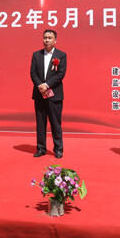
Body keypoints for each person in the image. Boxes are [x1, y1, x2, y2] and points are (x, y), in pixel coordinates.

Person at [30, 29, 67, 158]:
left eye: (50, 38)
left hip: (54, 94)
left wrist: (47, 85)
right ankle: (41, 148)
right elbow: (33, 73)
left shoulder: (61, 55)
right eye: (45, 37)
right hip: (39, 94)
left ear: (55, 40)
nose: (47, 40)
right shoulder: (36, 55)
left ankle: (58, 149)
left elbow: (61, 74)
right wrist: (40, 85)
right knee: (40, 123)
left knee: (55, 123)